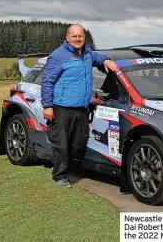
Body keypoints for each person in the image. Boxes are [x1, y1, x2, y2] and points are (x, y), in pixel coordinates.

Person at [41, 24, 117, 188]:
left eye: (80, 36)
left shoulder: (87, 53)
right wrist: (47, 105)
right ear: (67, 37)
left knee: (79, 142)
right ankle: (59, 175)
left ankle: (71, 168)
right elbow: (47, 81)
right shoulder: (58, 56)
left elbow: (96, 57)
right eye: (74, 36)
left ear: (84, 37)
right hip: (61, 107)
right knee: (61, 143)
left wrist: (106, 60)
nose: (77, 39)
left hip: (81, 108)